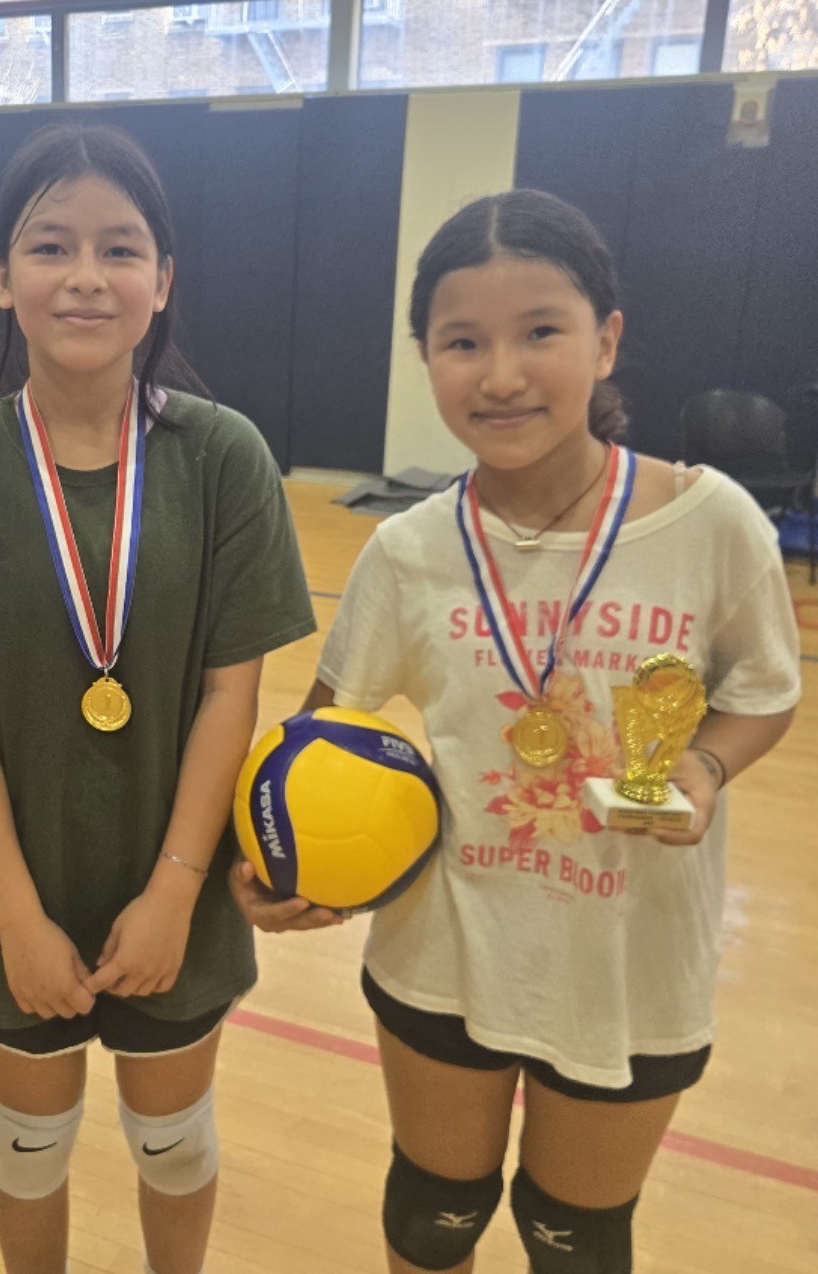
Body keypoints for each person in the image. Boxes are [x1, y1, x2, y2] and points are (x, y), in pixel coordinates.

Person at [232, 189, 801, 1274]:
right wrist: (278, 861)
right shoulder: (408, 550)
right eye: (462, 342)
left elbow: (765, 689)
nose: (499, 374)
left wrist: (705, 764)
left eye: (540, 331)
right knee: (431, 1215)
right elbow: (320, 734)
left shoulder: (710, 521)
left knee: (575, 1242)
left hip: (631, 964)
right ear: (426, 359)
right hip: (444, 952)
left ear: (606, 339)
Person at [0, 124, 315, 1274]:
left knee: (173, 1143)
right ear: (0, 276)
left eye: (119, 248)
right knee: (28, 1149)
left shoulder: (223, 458)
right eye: (49, 245)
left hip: (177, 881)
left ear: (161, 280)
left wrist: (174, 890)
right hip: (13, 890)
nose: (85, 275)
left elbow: (229, 694)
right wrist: (16, 919)